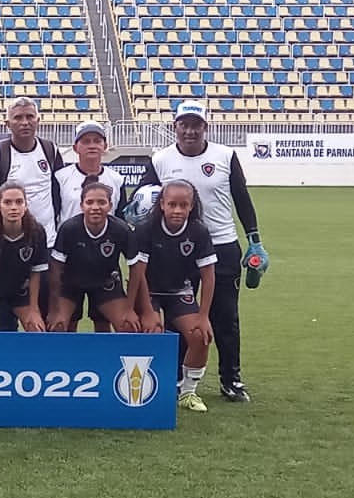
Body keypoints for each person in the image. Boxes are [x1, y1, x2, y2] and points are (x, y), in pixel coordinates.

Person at [138, 100, 266, 402]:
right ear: (175, 127)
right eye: (184, 124)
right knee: (177, 317)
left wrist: (254, 240)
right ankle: (176, 379)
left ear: (205, 127)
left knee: (225, 317)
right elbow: (143, 200)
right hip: (174, 251)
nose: (190, 130)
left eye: (196, 125)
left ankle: (230, 379)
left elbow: (241, 198)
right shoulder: (160, 159)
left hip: (221, 245)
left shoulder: (225, 155)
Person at [128, 180, 218, 412]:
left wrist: (203, 315)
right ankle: (151, 389)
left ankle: (187, 393)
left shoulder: (198, 230)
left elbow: (208, 276)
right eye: (172, 204)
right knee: (152, 332)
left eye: (183, 205)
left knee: (200, 336)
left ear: (191, 206)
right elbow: (139, 273)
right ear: (162, 205)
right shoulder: (147, 229)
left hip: (179, 290)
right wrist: (147, 311)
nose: (177, 210)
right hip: (149, 290)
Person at [0, 96, 64, 329]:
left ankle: (37, 362)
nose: (25, 122)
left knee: (41, 311)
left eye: (29, 117)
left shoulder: (50, 150)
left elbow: (58, 192)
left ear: (38, 120)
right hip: (7, 244)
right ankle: (4, 362)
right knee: (7, 315)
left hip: (45, 242)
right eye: (18, 118)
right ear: (8, 123)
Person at [48, 182, 141, 334]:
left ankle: (109, 358)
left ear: (110, 205)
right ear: (82, 205)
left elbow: (135, 267)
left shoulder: (121, 229)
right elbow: (55, 269)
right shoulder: (69, 229)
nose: (95, 207)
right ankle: (69, 358)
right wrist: (54, 309)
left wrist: (129, 308)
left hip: (106, 284)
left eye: (102, 202)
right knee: (58, 327)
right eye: (89, 202)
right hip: (71, 285)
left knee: (127, 326)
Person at [0, 182, 49, 333]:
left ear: (26, 206)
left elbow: (35, 273)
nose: (14, 207)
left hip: (18, 288)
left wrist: (34, 309)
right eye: (7, 202)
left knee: (36, 329)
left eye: (19, 202)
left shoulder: (36, 232)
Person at [56, 121, 125, 224]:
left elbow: (120, 219)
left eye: (97, 141)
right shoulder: (60, 177)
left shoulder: (117, 179)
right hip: (69, 238)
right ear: (75, 148)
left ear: (105, 146)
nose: (92, 146)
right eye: (86, 141)